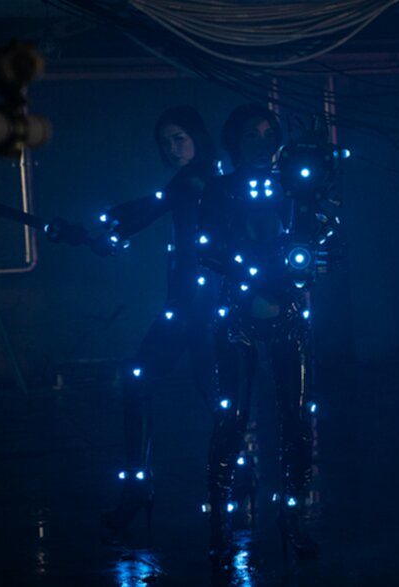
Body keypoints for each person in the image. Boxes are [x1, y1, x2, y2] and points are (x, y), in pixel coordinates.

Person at [197, 103, 342, 563]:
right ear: (234, 141)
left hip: (287, 313)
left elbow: (323, 238)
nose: (260, 143)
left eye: (267, 134)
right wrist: (251, 274)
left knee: (296, 419)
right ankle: (220, 520)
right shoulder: (219, 190)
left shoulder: (294, 187)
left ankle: (292, 515)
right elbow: (207, 250)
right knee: (232, 418)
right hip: (237, 315)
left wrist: (319, 233)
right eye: (250, 135)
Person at [95, 105, 219, 535]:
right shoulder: (192, 180)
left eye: (179, 138)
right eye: (166, 142)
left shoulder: (199, 180)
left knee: (213, 395)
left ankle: (140, 491)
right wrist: (105, 229)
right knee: (212, 395)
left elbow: (151, 207)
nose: (172, 148)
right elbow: (153, 207)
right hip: (191, 306)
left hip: (202, 309)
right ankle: (234, 479)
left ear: (197, 136)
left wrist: (104, 228)